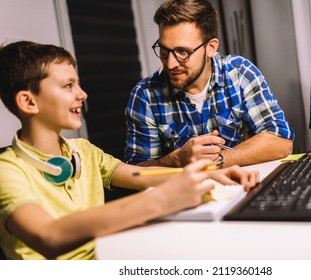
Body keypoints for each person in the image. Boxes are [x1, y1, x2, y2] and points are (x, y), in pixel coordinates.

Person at [0, 41, 259, 260]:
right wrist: (160, 200)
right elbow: (48, 235)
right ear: (28, 101)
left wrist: (208, 174)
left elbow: (138, 175)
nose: (83, 94)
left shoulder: (83, 151)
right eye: (68, 86)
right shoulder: (6, 171)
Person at [124, 0, 294, 168]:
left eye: (182, 52)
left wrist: (218, 161)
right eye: (164, 50)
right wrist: (176, 160)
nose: (170, 64)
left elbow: (281, 141)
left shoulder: (239, 73)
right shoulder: (145, 95)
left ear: (211, 47)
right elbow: (134, 171)